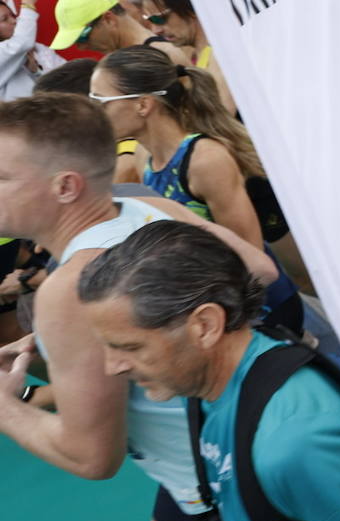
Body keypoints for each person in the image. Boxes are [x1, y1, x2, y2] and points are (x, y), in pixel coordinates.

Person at [0, 92, 282, 521]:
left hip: (233, 475)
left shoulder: (68, 292)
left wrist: (6, 407)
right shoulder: (136, 201)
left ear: (65, 186)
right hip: (255, 427)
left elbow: (92, 458)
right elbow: (258, 269)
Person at [76, 221, 340, 521]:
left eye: (129, 347)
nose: (112, 367)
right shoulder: (203, 382)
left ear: (205, 326)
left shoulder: (296, 444)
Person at [89, 45, 304, 332]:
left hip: (259, 311)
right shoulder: (144, 157)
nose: (96, 113)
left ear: (143, 105)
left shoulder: (205, 160)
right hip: (214, 310)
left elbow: (251, 256)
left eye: (101, 101)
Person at [136, 0, 236, 115]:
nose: (156, 30)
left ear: (190, 7)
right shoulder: (201, 56)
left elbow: (222, 117)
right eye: (150, 20)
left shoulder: (219, 54)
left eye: (159, 18)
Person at [48, 0, 196, 71]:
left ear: (108, 19)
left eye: (83, 37)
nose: (80, 47)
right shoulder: (114, 63)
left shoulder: (164, 56)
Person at [0, 0, 55, 101]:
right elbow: (22, 41)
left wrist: (35, 72)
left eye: (12, 15)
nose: (14, 21)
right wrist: (28, 4)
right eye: (4, 19)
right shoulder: (17, 48)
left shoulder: (31, 52)